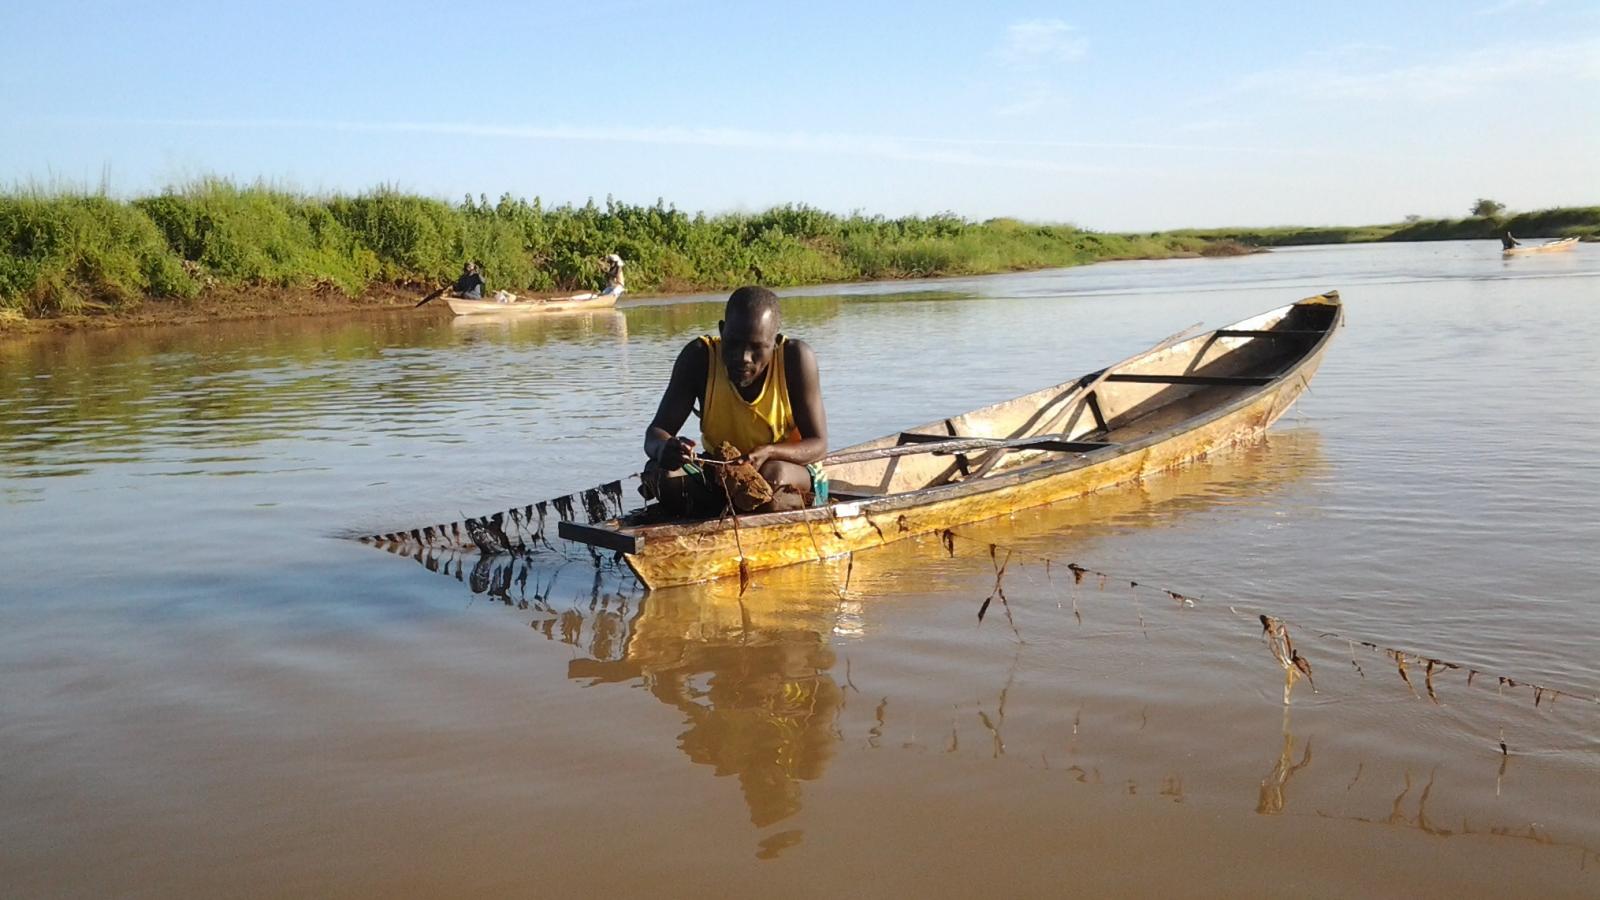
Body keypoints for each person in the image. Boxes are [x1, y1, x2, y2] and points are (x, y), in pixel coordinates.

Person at [643, 286, 828, 515]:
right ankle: (724, 511)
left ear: (775, 343)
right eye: (733, 344)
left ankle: (727, 510)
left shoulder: (795, 358)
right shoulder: (699, 357)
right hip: (722, 474)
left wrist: (769, 451)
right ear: (722, 331)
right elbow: (655, 433)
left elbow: (818, 445)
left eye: (757, 348)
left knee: (769, 479)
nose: (743, 358)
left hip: (787, 469)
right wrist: (666, 448)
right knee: (663, 475)